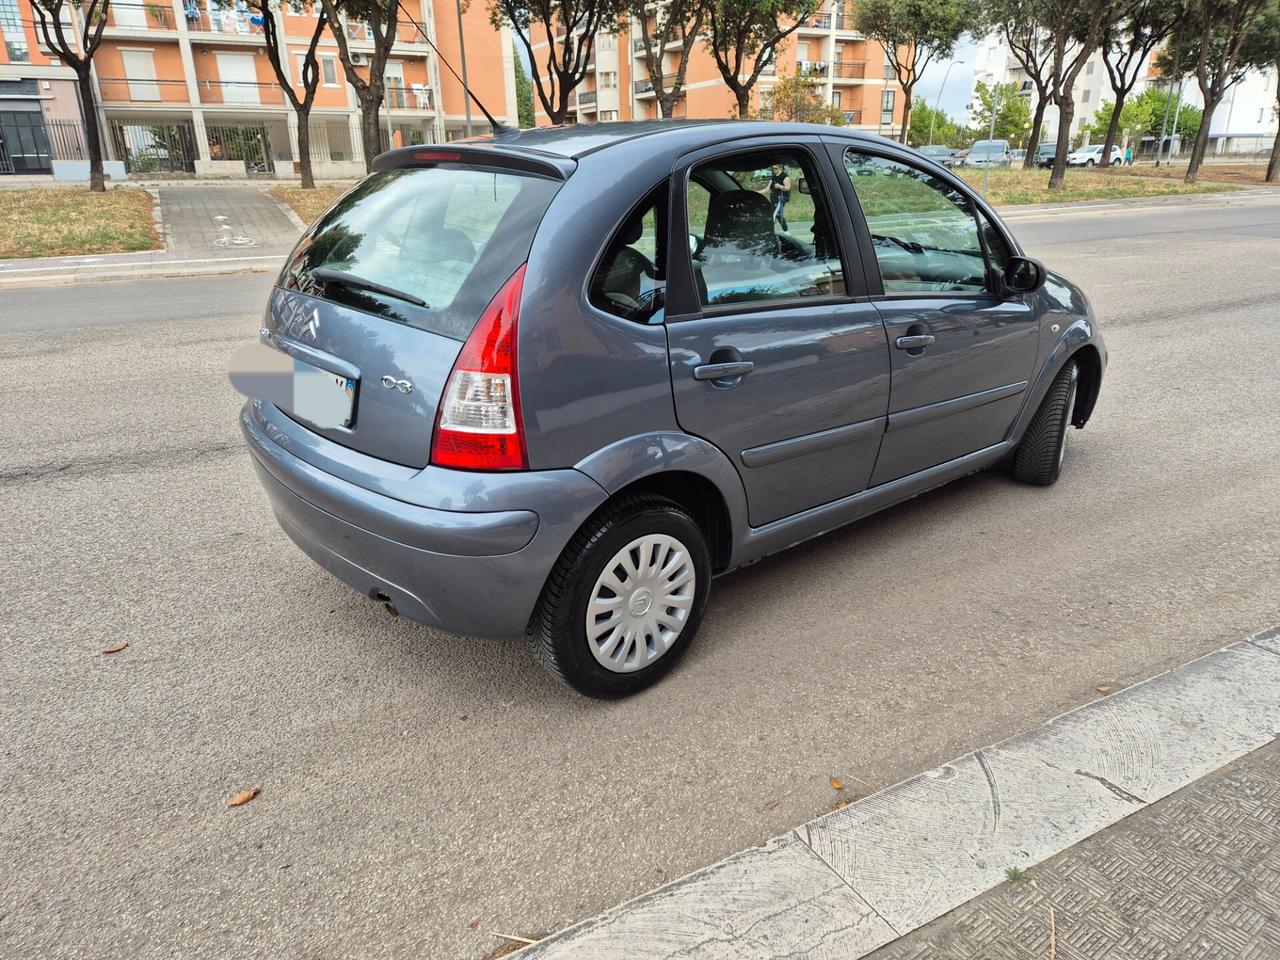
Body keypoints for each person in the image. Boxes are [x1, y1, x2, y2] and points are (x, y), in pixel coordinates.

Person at [762, 162, 791, 232]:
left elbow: (788, 188)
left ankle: (769, 233)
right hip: (773, 199)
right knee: (778, 215)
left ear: (781, 168)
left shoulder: (785, 177)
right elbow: (766, 189)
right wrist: (756, 192)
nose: (774, 170)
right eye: (772, 168)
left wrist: (779, 186)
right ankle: (787, 232)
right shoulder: (773, 177)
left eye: (775, 168)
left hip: (780, 199)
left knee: (772, 215)